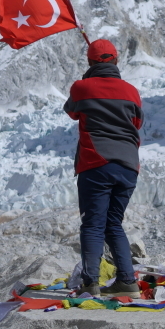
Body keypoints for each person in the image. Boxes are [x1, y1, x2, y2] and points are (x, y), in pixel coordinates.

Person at [64, 37, 143, 298]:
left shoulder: (81, 88)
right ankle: (128, 282)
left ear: (89, 61)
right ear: (117, 60)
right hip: (129, 166)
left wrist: (87, 80)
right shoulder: (131, 91)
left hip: (96, 162)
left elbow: (72, 111)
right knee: (114, 224)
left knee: (93, 225)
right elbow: (137, 123)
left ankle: (90, 284)